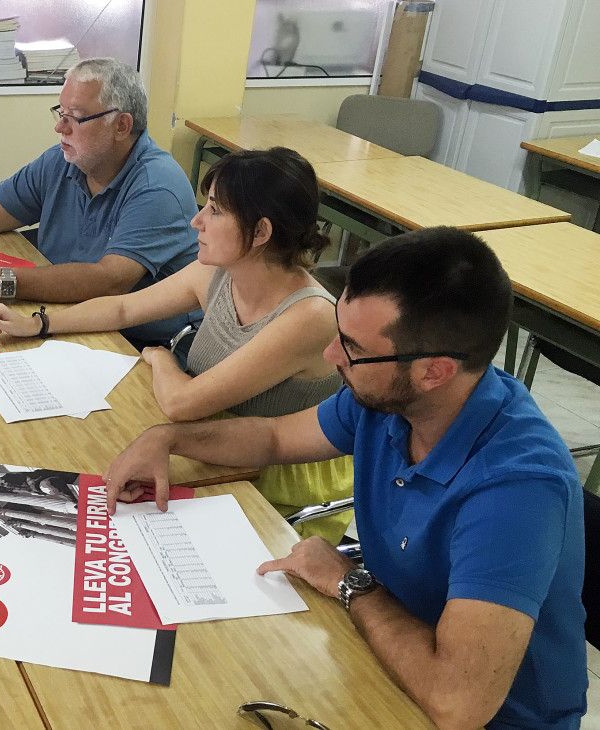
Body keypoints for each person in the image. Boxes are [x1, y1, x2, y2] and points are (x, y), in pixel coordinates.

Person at [105, 227, 587, 729]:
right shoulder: (392, 400)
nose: (332, 356)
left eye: (353, 347)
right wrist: (169, 439)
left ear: (434, 372)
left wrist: (348, 581)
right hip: (388, 655)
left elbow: (457, 703)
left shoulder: (515, 488)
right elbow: (273, 439)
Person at [0, 147, 352, 542]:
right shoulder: (218, 272)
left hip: (276, 483)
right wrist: (39, 323)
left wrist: (163, 360)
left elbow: (184, 402)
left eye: (214, 210)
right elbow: (124, 309)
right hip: (206, 441)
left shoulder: (309, 316)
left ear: (261, 232)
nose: (197, 220)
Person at [0, 58, 199, 348]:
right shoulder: (64, 161)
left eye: (76, 118)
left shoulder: (158, 187)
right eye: (60, 113)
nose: (59, 127)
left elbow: (110, 281)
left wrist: (2, 283)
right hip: (62, 316)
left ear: (122, 125)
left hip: (139, 344)